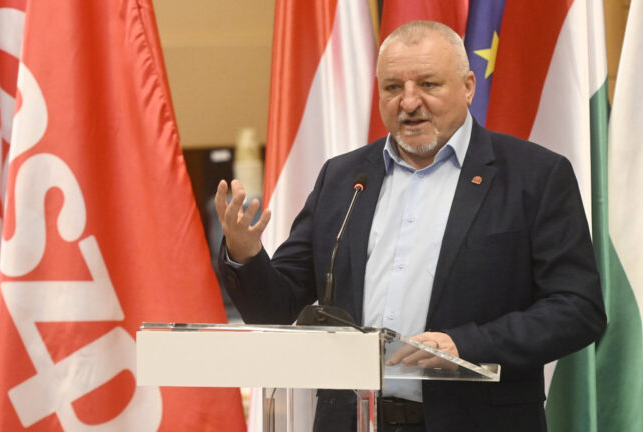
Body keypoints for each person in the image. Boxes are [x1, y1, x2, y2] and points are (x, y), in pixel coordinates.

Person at [215, 20, 606, 432]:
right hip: (354, 421)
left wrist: (465, 345)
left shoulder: (534, 175)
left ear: (468, 87)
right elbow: (276, 307)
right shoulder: (344, 178)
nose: (409, 101)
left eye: (428, 84)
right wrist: (245, 254)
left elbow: (577, 309)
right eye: (392, 87)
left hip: (476, 421)